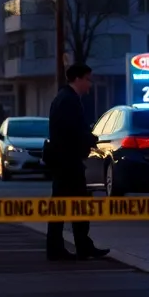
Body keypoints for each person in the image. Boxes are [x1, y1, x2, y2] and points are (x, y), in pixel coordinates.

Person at [43, 63, 110, 261]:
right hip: (67, 162)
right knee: (76, 203)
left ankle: (72, 246)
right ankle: (71, 247)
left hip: (64, 161)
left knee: (67, 204)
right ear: (78, 79)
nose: (90, 84)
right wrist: (90, 139)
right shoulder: (69, 101)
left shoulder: (64, 98)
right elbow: (72, 131)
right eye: (88, 79)